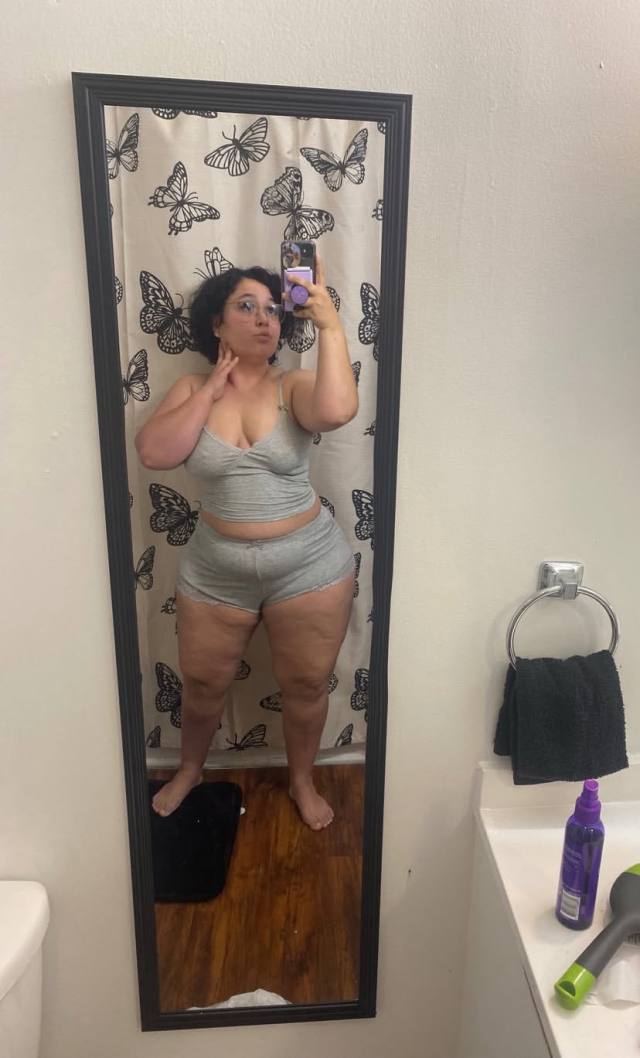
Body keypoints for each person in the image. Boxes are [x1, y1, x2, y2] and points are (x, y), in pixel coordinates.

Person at [135, 258, 359, 830]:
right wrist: (211, 388)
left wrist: (330, 324)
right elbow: (155, 452)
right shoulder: (191, 388)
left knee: (305, 685)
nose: (264, 320)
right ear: (217, 323)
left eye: (273, 310)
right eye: (246, 306)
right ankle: (190, 769)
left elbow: (337, 411)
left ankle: (302, 780)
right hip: (216, 573)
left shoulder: (293, 385)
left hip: (309, 568)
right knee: (203, 684)